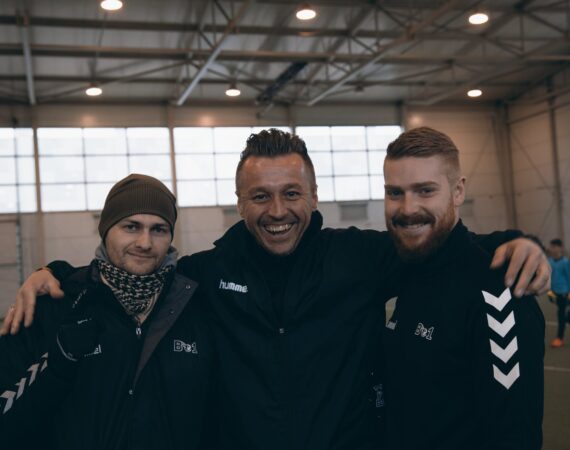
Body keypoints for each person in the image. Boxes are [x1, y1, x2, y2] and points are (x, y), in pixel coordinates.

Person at [1, 130, 551, 450]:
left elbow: (433, 237)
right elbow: (133, 267)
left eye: (291, 193)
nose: (277, 211)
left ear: (314, 195)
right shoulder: (204, 273)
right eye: (260, 196)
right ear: (239, 202)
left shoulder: (361, 258)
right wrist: (54, 273)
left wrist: (518, 242)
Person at [0, 174, 214, 450]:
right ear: (106, 230)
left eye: (159, 229)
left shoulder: (193, 306)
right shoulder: (55, 304)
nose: (145, 242)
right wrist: (55, 364)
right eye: (131, 227)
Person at [382, 127, 544, 449]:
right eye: (395, 193)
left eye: (425, 190)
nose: (408, 208)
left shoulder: (499, 294)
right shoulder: (410, 269)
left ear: (458, 192)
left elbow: (514, 437)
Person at [547, 238, 570, 348]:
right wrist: (550, 293)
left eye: (554, 247)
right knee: (563, 315)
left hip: (565, 293)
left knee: (561, 316)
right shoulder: (549, 261)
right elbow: (549, 278)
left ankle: (559, 338)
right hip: (555, 293)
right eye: (551, 247)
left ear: (560, 248)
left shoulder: (565, 262)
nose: (552, 249)